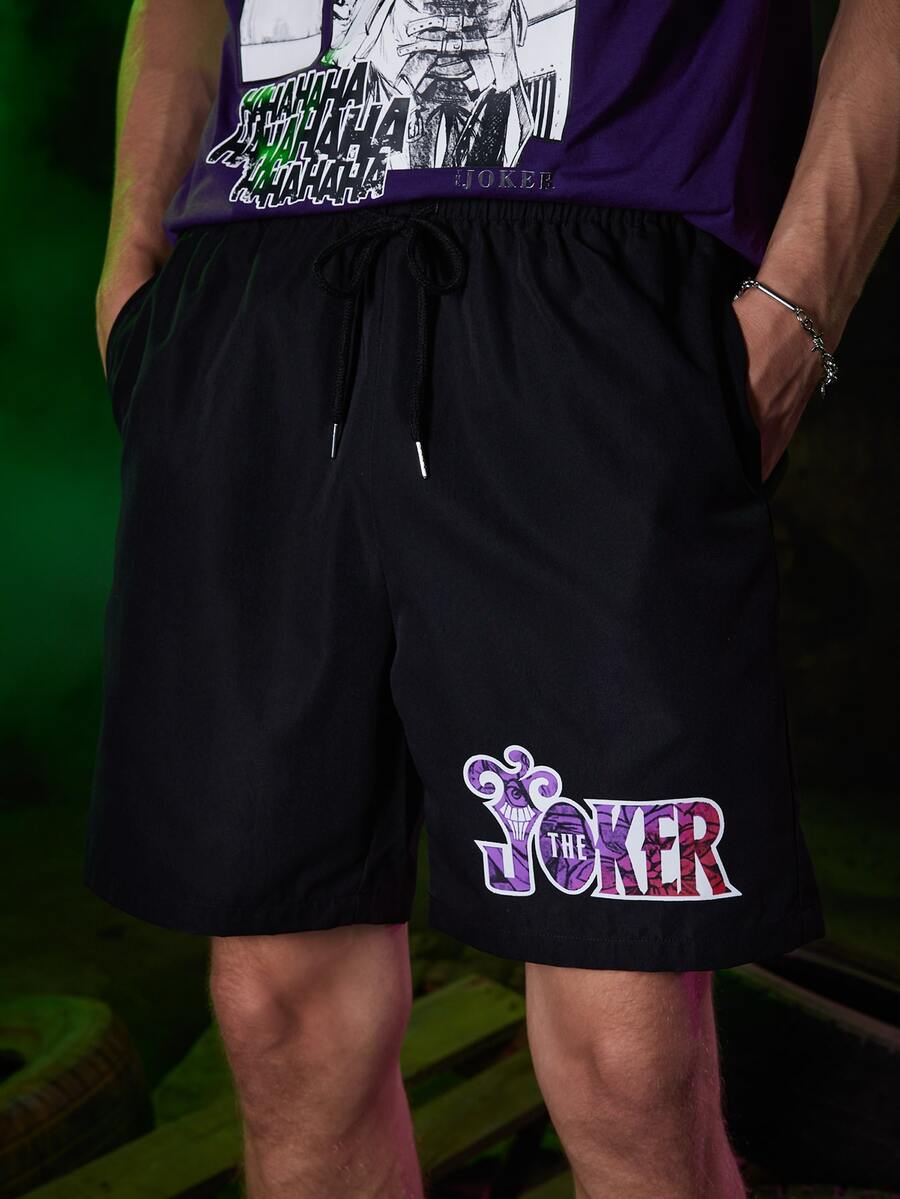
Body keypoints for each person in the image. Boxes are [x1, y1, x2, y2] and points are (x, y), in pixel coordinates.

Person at [86, 1, 899, 1196]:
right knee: (278, 1009)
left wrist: (799, 304)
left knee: (626, 1047)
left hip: (585, 277)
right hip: (260, 287)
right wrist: (133, 261)